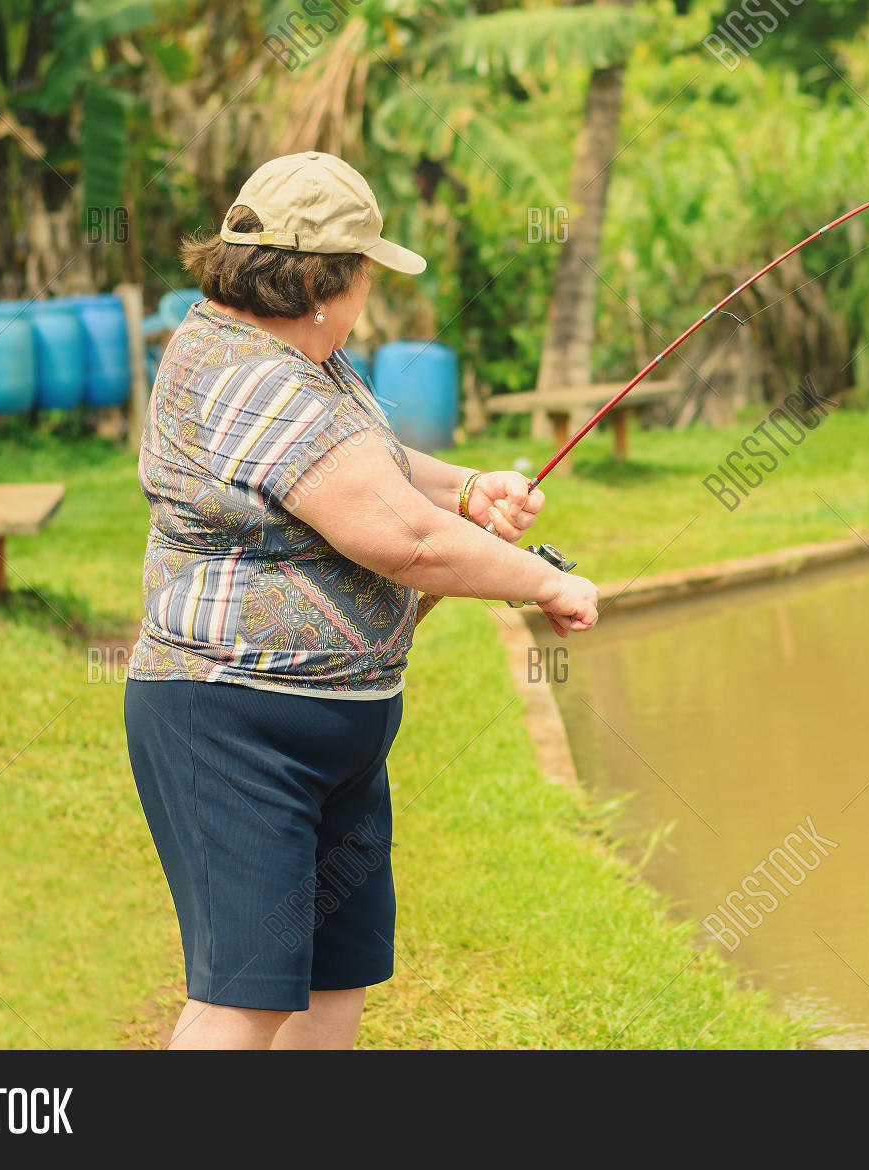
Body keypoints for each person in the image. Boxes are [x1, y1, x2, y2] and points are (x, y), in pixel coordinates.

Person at [123, 151, 598, 1050]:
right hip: (235, 721)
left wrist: (467, 490)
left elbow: (359, 461)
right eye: (364, 276)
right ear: (316, 281)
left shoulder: (293, 354)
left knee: (333, 981)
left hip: (335, 727)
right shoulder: (250, 374)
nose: (366, 298)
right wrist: (546, 580)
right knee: (248, 995)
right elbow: (405, 542)